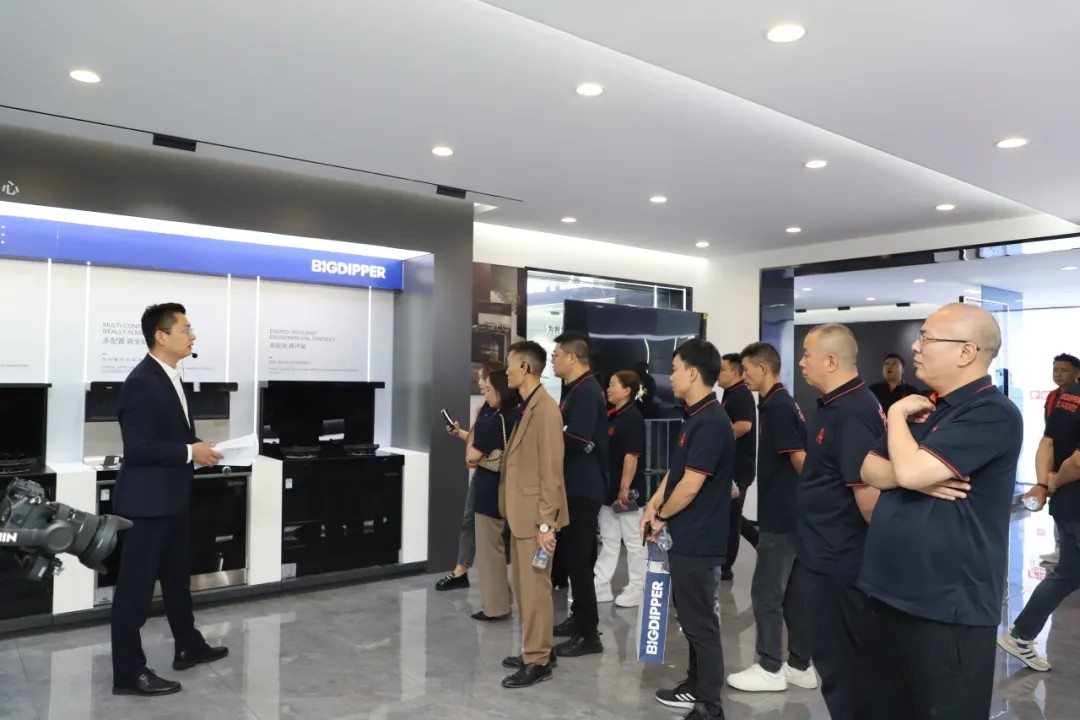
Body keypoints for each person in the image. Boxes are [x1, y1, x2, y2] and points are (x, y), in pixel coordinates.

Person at [859, 304, 1021, 719]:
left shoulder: (991, 412)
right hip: (890, 594)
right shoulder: (927, 408)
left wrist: (897, 422)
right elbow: (870, 469)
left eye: (926, 338)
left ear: (966, 352)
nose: (915, 347)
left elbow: (909, 471)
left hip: (947, 606)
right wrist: (911, 472)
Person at [110, 303, 228, 697]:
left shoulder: (171, 376)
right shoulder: (142, 382)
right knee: (135, 593)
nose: (193, 336)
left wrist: (198, 449)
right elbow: (139, 448)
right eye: (185, 329)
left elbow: (172, 436)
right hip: (145, 505)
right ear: (162, 336)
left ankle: (188, 645)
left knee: (177, 580)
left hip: (172, 500)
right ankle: (129, 673)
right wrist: (190, 452)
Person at [643, 338, 735, 720]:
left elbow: (692, 485)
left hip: (698, 539)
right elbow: (678, 472)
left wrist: (662, 516)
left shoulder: (711, 421)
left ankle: (709, 705)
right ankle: (694, 686)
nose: (670, 376)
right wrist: (653, 504)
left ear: (693, 373)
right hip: (686, 536)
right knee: (692, 619)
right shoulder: (695, 416)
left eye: (675, 368)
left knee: (700, 625)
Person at [796, 323, 884, 719]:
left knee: (843, 666)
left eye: (807, 354)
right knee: (836, 661)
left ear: (830, 361)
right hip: (825, 554)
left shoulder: (852, 413)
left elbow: (869, 498)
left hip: (840, 561)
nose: (802, 362)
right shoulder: (837, 404)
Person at [726, 342, 816, 693]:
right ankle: (799, 665)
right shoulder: (778, 403)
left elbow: (799, 459)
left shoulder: (778, 406)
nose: (743, 375)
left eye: (746, 369)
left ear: (763, 368)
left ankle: (769, 666)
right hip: (790, 513)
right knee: (792, 593)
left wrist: (818, 498)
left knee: (765, 593)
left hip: (782, 516)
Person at [498, 340, 569, 689]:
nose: (506, 371)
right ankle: (539, 648)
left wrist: (545, 524)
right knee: (526, 590)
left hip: (535, 520)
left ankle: (537, 660)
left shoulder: (546, 411)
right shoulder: (529, 406)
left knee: (536, 590)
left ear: (525, 368)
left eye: (510, 365)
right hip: (521, 516)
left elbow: (551, 473)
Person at [999, 378, 1080, 672]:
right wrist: (1055, 480)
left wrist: (1044, 484)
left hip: (1067, 505)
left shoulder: (1070, 395)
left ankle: (1020, 635)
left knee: (1068, 573)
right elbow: (1077, 462)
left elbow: (1047, 442)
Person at [549, 331, 608, 658]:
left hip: (583, 488)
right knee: (573, 559)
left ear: (572, 358)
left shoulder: (586, 391)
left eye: (557, 354)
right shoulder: (575, 389)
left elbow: (577, 438)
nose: (553, 360)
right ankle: (579, 618)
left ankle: (589, 635)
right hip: (572, 485)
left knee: (579, 561)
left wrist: (549, 435)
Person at [437, 361, 505, 591]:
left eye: (483, 379)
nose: (479, 383)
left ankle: (497, 590)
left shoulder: (503, 413)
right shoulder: (484, 408)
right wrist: (459, 433)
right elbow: (478, 443)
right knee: (469, 521)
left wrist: (474, 453)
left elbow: (481, 448)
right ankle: (461, 570)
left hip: (498, 476)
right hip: (482, 472)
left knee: (493, 531)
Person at [464, 369, 521, 621]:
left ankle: (495, 607)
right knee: (499, 548)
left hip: (489, 490)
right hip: (510, 487)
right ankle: (503, 600)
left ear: (500, 391)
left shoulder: (494, 422)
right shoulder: (518, 415)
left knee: (489, 552)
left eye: (488, 390)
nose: (485, 394)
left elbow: (472, 457)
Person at [593, 370, 647, 608]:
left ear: (627, 391)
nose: (608, 389)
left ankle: (637, 586)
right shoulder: (613, 415)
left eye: (613, 385)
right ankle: (601, 584)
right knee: (609, 539)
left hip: (626, 492)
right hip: (608, 490)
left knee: (633, 541)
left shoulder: (632, 417)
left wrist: (624, 489)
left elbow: (631, 456)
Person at [717, 353, 758, 582]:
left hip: (739, 468)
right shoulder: (729, 394)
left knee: (732, 518)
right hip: (731, 466)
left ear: (734, 373)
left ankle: (726, 567)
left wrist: (716, 436)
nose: (717, 374)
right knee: (732, 514)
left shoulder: (740, 394)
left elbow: (743, 426)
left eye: (721, 369)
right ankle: (758, 540)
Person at [1038, 353, 1079, 565]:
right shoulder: (1053, 397)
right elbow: (1048, 435)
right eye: (1055, 370)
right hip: (1058, 457)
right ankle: (1061, 548)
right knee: (1061, 505)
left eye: (1064, 370)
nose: (1058, 374)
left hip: (1074, 461)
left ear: (1077, 373)